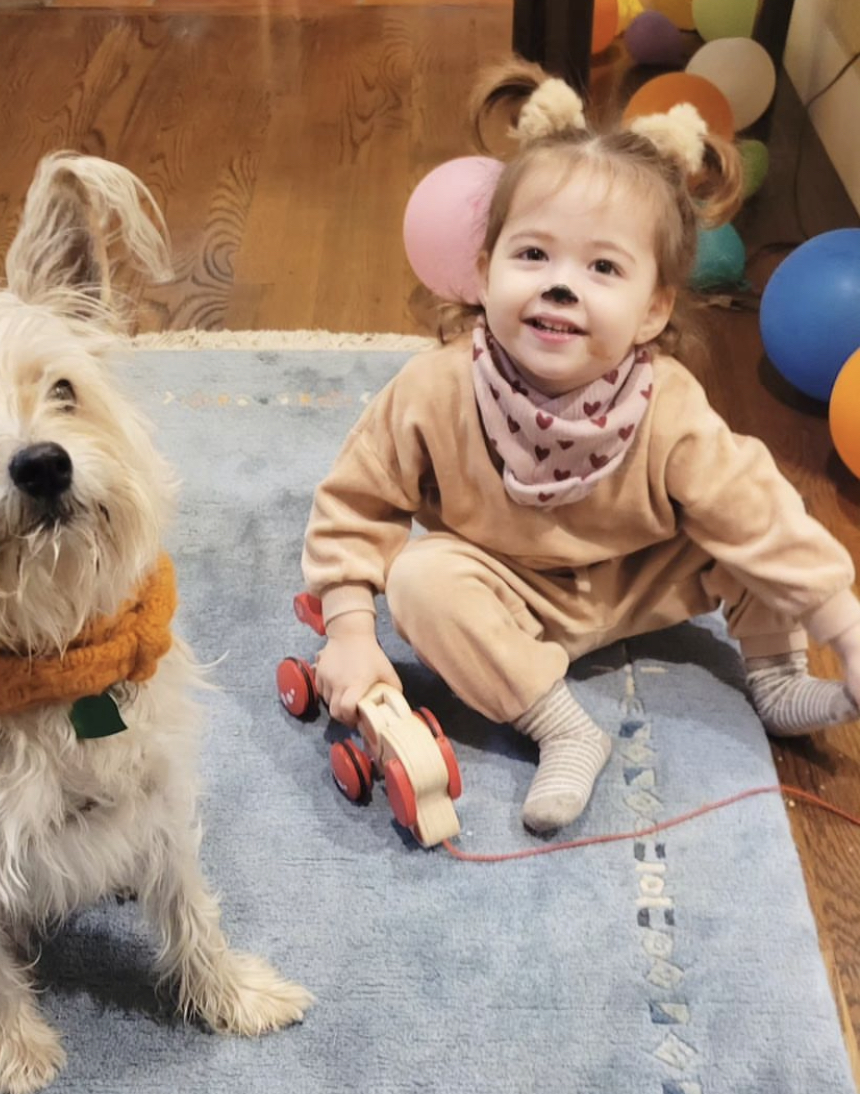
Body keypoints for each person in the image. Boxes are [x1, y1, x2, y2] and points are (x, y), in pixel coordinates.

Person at [300, 60, 860, 833]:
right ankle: (561, 726)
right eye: (532, 255)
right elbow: (355, 504)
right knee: (420, 579)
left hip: (639, 582)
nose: (560, 286)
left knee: (750, 506)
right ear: (483, 272)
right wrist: (349, 630)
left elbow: (757, 518)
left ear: (651, 310)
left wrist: (844, 629)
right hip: (510, 590)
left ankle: (774, 675)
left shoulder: (666, 405)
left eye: (602, 268)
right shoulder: (433, 389)